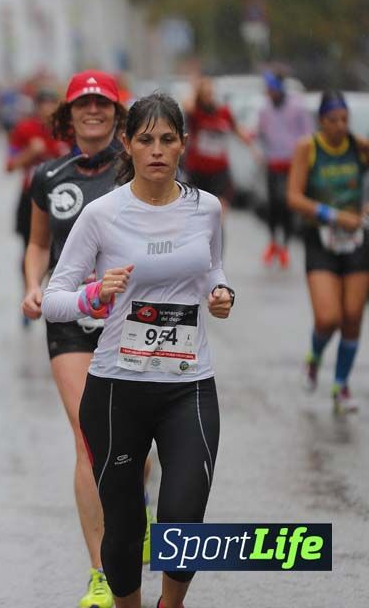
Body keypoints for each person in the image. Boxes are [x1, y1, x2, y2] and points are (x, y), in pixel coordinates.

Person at [42, 92, 233, 608]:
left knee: (183, 514)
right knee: (124, 526)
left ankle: (171, 604)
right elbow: (54, 300)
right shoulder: (102, 214)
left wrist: (221, 294)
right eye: (145, 139)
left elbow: (212, 269)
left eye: (167, 139)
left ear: (182, 145)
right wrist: (93, 295)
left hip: (188, 385)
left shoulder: (207, 209)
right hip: (116, 390)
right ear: (128, 143)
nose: (156, 150)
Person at [21, 70, 152, 608]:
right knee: (88, 437)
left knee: (134, 445)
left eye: (102, 103)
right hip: (71, 316)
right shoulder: (50, 176)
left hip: (132, 315)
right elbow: (35, 245)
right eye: (83, 104)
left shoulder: (139, 169)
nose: (93, 111)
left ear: (117, 113)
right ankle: (101, 573)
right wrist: (33, 286)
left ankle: (136, 501)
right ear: (68, 114)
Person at [287, 90, 369, 414]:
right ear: (321, 121)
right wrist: (333, 215)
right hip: (321, 239)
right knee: (328, 317)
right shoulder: (308, 148)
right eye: (333, 120)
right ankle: (314, 358)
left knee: (352, 316)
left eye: (345, 120)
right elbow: (293, 197)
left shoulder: (358, 147)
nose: (340, 126)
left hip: (357, 241)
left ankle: (341, 386)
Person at [7, 87, 69, 328]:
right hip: (31, 197)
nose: (46, 111)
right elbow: (10, 165)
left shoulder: (69, 132)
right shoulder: (25, 130)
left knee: (60, 252)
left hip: (64, 199)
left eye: (51, 105)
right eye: (42, 105)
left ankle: (55, 299)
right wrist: (29, 153)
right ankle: (30, 292)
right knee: (30, 246)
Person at [256, 71, 312, 268]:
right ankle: (273, 242)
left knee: (287, 205)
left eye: (271, 89)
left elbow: (307, 134)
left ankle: (285, 246)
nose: (268, 93)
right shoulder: (265, 109)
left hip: (292, 164)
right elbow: (260, 132)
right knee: (273, 205)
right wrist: (259, 149)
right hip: (273, 163)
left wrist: (303, 158)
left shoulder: (296, 107)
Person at [182, 76, 258, 213]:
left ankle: (218, 232)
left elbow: (238, 131)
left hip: (219, 171)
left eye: (210, 93)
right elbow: (186, 105)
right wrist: (195, 89)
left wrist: (253, 148)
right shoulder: (195, 113)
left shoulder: (224, 112)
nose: (209, 97)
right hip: (198, 170)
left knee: (219, 209)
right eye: (205, 94)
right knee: (199, 211)